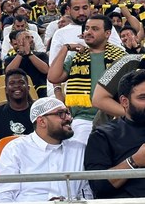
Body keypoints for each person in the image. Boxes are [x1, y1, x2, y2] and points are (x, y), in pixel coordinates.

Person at [0, 97, 91, 202]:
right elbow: (3, 197)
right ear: (42, 121)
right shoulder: (15, 149)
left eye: (68, 113)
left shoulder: (79, 149)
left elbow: (87, 193)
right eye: (61, 113)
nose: (68, 118)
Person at [49, 14, 125, 145]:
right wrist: (65, 48)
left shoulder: (121, 57)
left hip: (115, 118)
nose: (88, 32)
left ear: (107, 33)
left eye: (95, 29)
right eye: (87, 28)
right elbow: (53, 77)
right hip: (83, 119)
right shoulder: (76, 57)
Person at [85, 70, 145, 199]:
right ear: (124, 101)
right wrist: (133, 162)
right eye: (143, 98)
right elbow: (98, 186)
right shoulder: (103, 136)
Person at [0, 69, 34, 173]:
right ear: (6, 90)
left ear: (28, 88)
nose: (17, 86)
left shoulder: (37, 112)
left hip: (34, 157)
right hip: (6, 160)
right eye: (12, 83)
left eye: (21, 82)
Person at [4, 30, 49, 97]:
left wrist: (29, 53)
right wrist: (21, 53)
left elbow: (46, 70)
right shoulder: (10, 59)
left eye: (32, 37)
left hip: (41, 91)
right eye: (27, 38)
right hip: (20, 91)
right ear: (18, 41)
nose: (31, 40)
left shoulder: (41, 55)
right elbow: (8, 73)